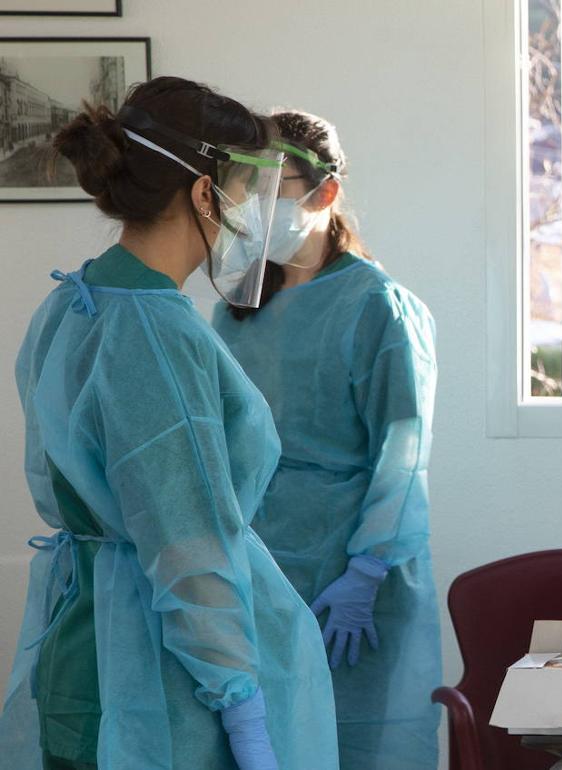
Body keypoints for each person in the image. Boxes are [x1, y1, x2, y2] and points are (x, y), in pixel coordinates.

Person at [0, 77, 339, 769]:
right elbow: (185, 545)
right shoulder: (154, 331)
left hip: (89, 642)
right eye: (247, 190)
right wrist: (241, 705)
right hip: (159, 678)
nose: (258, 213)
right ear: (205, 193)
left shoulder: (76, 298)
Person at [211, 109, 441, 770]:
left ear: (326, 193)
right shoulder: (237, 307)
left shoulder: (378, 307)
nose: (254, 211)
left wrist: (368, 570)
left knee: (353, 742)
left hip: (346, 581)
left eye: (272, 193)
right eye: (242, 193)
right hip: (254, 564)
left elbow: (405, 451)